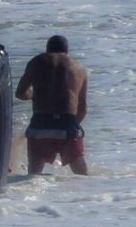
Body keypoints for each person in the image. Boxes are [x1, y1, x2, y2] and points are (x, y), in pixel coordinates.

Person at [15, 35, 89, 175]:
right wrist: (71, 126)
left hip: (40, 125)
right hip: (67, 124)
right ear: (67, 51)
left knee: (33, 175)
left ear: (47, 49)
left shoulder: (37, 61)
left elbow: (20, 93)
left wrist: (34, 95)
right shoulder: (79, 68)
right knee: (82, 175)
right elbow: (83, 109)